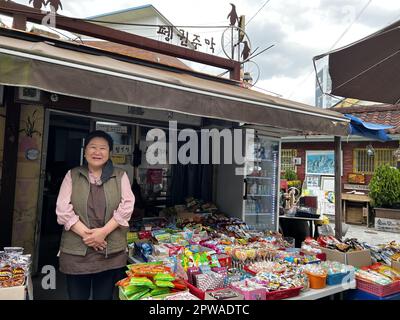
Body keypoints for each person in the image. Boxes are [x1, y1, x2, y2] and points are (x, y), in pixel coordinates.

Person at [56, 130, 135, 300]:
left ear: (109, 153)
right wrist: (89, 236)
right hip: (77, 251)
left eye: (103, 148)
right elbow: (63, 209)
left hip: (109, 250)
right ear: (85, 151)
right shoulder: (72, 175)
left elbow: (127, 207)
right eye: (93, 147)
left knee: (104, 297)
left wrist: (103, 232)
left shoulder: (120, 175)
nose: (97, 152)